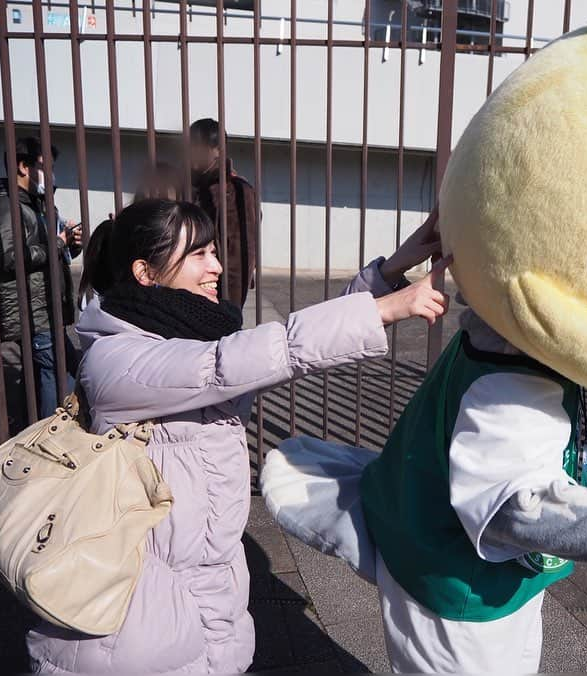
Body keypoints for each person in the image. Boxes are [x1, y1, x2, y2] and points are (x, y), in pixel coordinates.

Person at [26, 198, 449, 674]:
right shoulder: (118, 359)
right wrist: (384, 312)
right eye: (200, 255)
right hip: (131, 625)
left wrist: (391, 270)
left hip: (200, 594)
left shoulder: (180, 333)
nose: (218, 266)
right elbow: (237, 361)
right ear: (146, 272)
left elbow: (269, 348)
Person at [0, 136, 82, 418]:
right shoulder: (7, 204)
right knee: (57, 379)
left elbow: (52, 253)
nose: (50, 174)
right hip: (32, 309)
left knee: (62, 370)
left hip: (47, 307)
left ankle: (48, 429)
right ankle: (50, 436)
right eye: (44, 166)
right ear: (23, 167)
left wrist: (70, 245)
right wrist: (58, 243)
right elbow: (9, 257)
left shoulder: (39, 203)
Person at [189, 118, 257, 308]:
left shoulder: (236, 191)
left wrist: (231, 306)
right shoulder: (187, 185)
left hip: (217, 287)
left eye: (197, 146)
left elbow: (241, 255)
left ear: (218, 150)